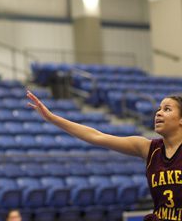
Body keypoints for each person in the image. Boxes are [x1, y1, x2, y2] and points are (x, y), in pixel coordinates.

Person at [27, 91, 182, 221]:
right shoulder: (149, 148)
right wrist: (51, 118)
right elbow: (96, 136)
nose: (159, 113)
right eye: (158, 109)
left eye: (167, 109)